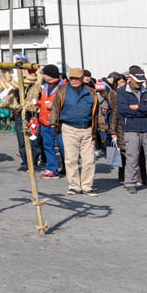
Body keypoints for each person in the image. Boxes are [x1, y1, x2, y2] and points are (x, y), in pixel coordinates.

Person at [49, 67, 100, 196]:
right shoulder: (62, 91)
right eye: (72, 78)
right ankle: (74, 186)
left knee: (89, 159)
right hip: (69, 128)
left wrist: (103, 128)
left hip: (87, 129)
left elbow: (97, 113)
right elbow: (55, 109)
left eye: (77, 78)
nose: (74, 80)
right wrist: (53, 125)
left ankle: (87, 186)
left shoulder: (91, 92)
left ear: (82, 79)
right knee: (71, 159)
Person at [117, 67, 147, 195]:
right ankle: (130, 183)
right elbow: (124, 111)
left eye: (141, 81)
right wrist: (145, 109)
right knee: (132, 157)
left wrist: (137, 108)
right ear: (130, 79)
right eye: (137, 81)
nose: (140, 83)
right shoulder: (121, 92)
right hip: (131, 129)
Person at [37, 65, 66, 179]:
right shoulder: (44, 86)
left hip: (58, 121)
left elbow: (67, 103)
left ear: (49, 75)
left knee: (63, 146)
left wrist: (54, 106)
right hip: (45, 120)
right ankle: (52, 169)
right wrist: (38, 103)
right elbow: (44, 101)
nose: (42, 76)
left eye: (44, 73)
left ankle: (67, 167)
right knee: (48, 146)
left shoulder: (64, 86)